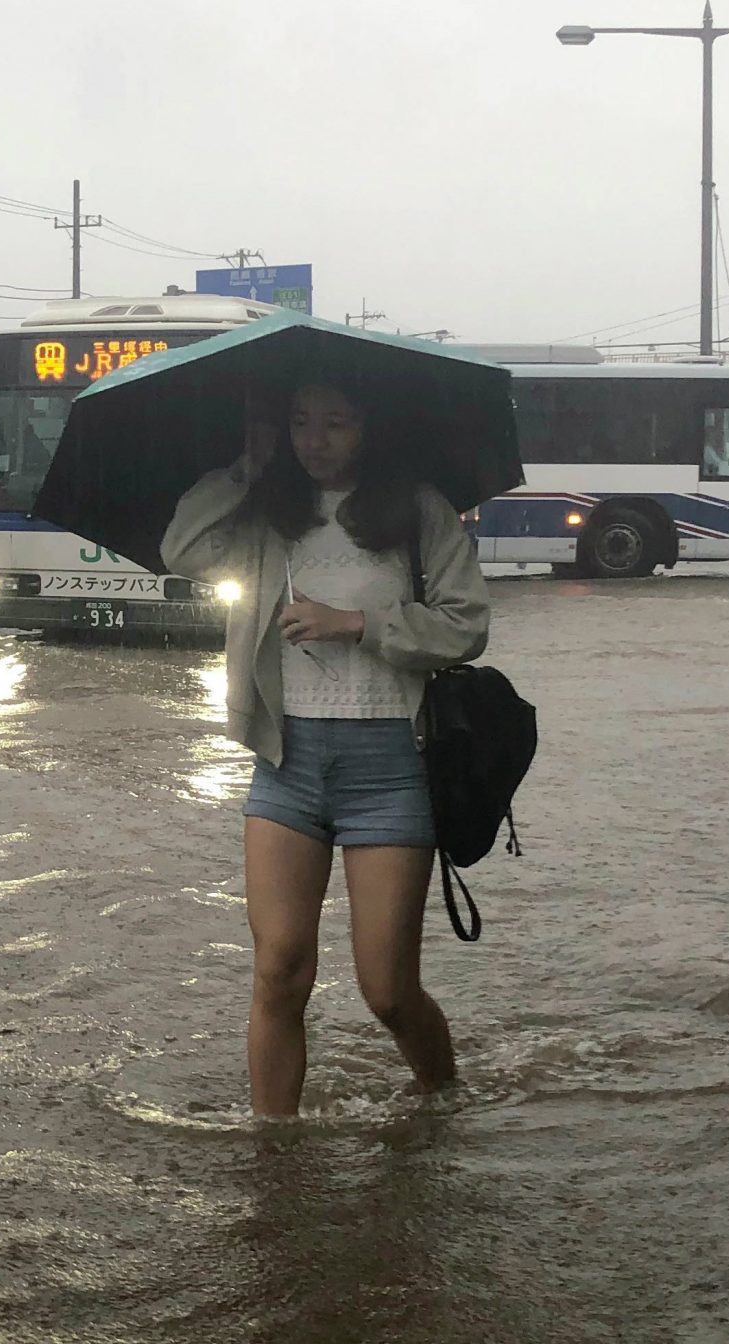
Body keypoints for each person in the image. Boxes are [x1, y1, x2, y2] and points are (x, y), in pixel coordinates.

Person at [161, 381, 492, 1118]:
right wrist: (246, 467)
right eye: (300, 421)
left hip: (391, 768)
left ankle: (443, 1101)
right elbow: (179, 548)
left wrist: (357, 623)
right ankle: (272, 1151)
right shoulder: (266, 513)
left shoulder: (419, 511)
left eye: (336, 423)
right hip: (287, 763)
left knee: (387, 990)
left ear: (370, 426)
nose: (315, 440)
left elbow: (467, 624)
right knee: (279, 970)